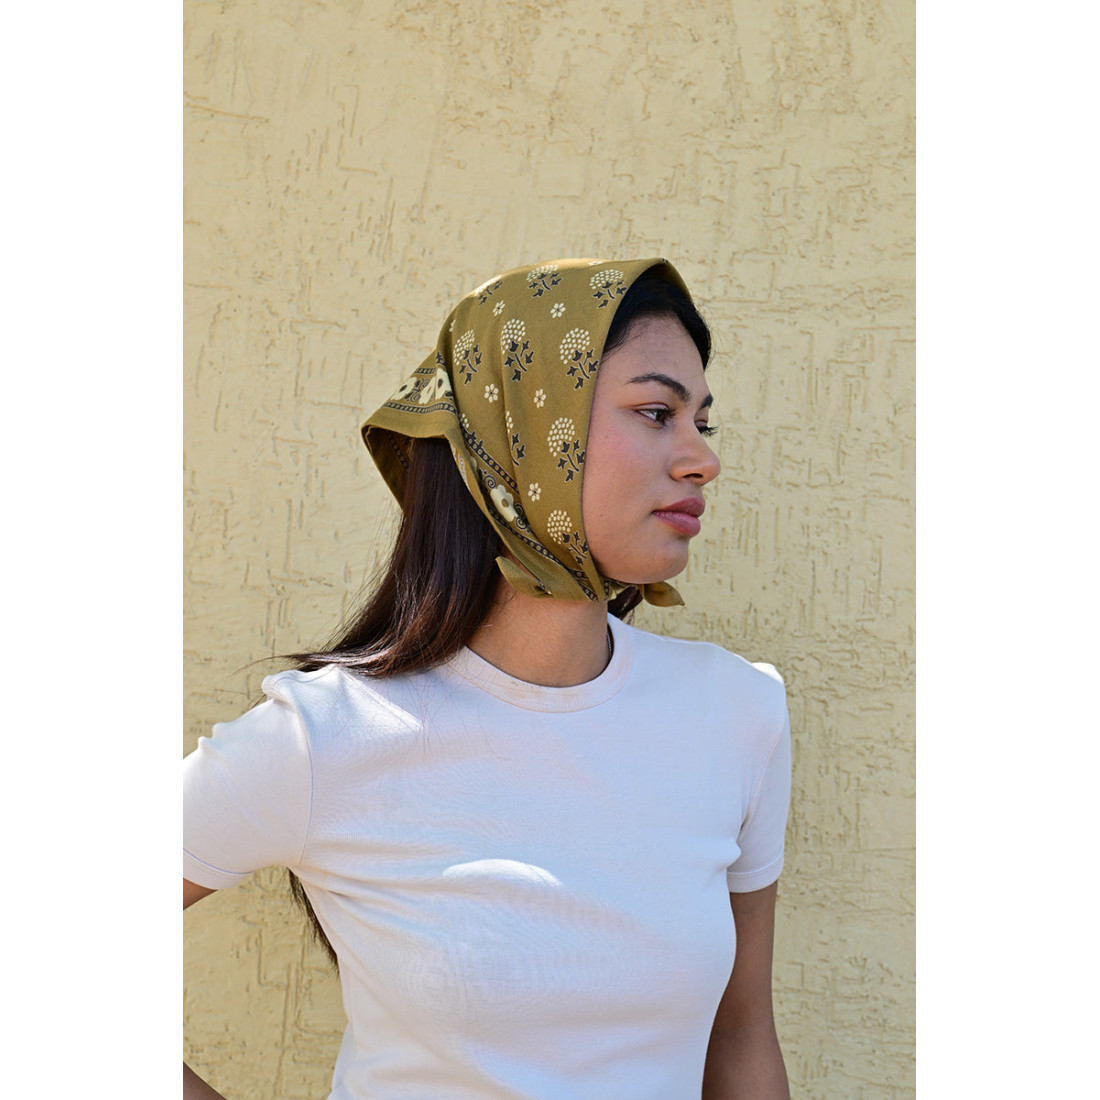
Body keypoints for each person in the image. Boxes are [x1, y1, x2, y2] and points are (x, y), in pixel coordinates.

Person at [183, 257, 792, 1100]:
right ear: (524, 429)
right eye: (657, 413)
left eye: (703, 423)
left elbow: (741, 1033)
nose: (700, 460)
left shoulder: (737, 713)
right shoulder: (327, 736)